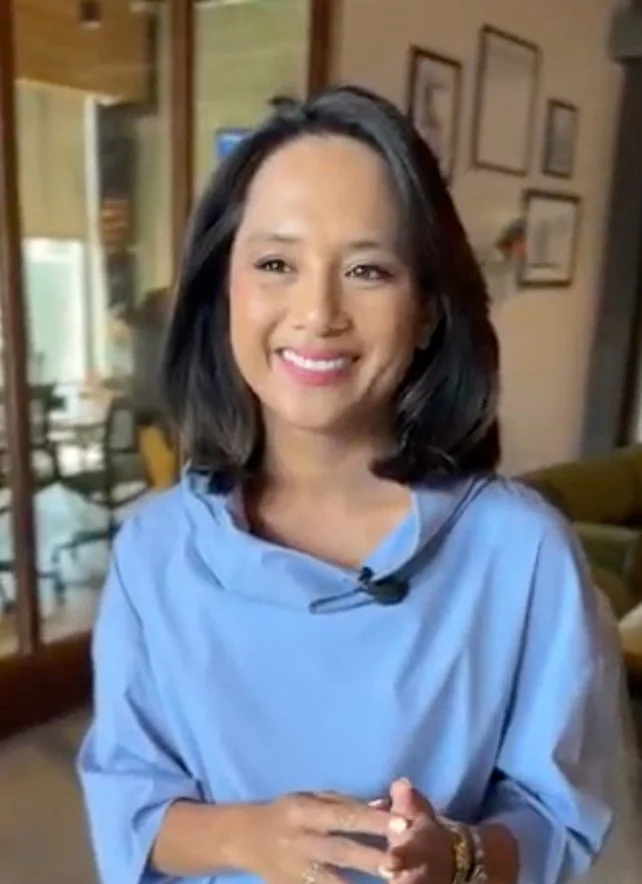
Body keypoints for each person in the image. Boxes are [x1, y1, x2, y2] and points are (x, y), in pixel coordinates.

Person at [78, 85, 630, 884]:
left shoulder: (520, 549)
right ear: (222, 290)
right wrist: (245, 838)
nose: (317, 312)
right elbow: (129, 800)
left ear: (430, 310)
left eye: (368, 270)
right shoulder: (153, 551)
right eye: (275, 264)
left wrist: (462, 856)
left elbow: (559, 812)